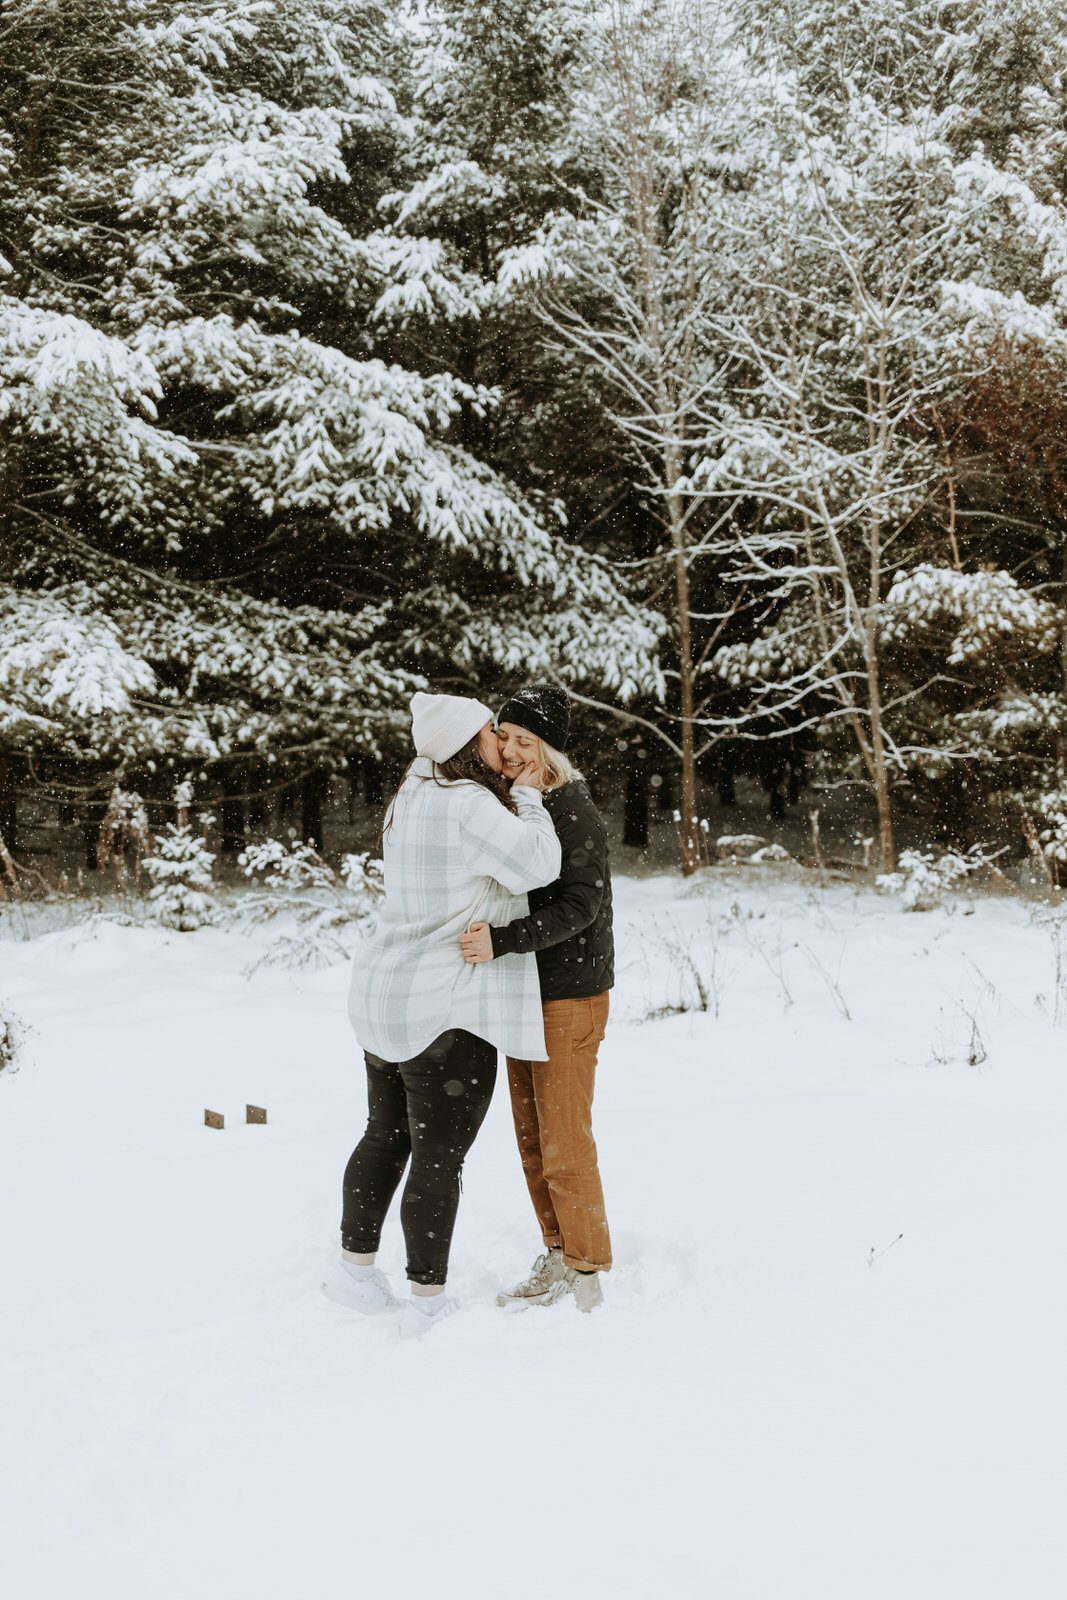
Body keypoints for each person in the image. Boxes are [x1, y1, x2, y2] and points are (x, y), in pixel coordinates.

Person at [321, 691, 561, 1338]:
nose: (500, 743)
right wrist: (533, 797)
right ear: (464, 743)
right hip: (442, 1008)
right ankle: (427, 1301)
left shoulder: (411, 794)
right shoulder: (469, 804)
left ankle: (354, 1272)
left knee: (383, 1135)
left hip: (383, 995)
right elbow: (540, 863)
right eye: (489, 732)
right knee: (437, 1156)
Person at [459, 685, 613, 1313]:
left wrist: (504, 940)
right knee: (531, 1137)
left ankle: (588, 1273)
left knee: (564, 1139)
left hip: (569, 995)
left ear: (550, 748)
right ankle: (557, 1249)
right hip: (524, 993)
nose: (516, 750)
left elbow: (583, 904)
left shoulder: (570, 808)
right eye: (508, 737)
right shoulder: (519, 803)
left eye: (529, 741)